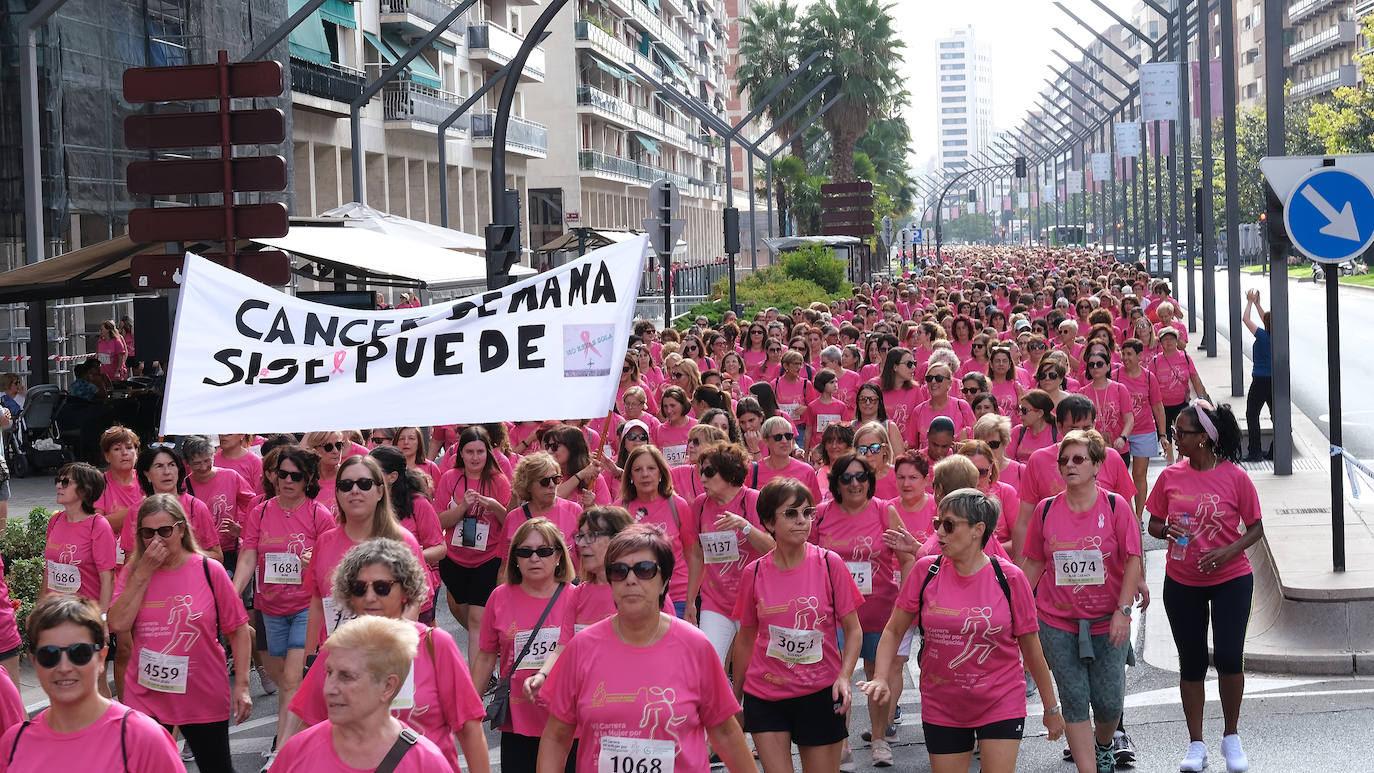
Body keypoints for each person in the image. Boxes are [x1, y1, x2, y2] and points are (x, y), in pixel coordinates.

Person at [861, 489, 1062, 773]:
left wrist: (1051, 708)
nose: (939, 533)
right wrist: (881, 677)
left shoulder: (1010, 578)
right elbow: (893, 630)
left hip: (1000, 700)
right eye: (937, 523)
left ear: (978, 530)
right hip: (942, 703)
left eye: (950, 525)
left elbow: (1032, 649)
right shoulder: (924, 572)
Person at [538, 524, 755, 773]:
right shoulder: (582, 647)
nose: (631, 579)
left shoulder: (695, 646)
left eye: (644, 570)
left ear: (664, 582)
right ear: (610, 582)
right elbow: (556, 736)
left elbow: (726, 733)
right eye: (619, 571)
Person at [288, 539, 490, 773]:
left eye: (382, 587)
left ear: (406, 590)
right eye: (359, 588)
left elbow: (470, 730)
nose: (370, 597)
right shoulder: (337, 651)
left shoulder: (435, 645)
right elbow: (309, 727)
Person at [1017, 430, 1143, 773]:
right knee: (1073, 698)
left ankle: (1104, 743)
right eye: (1064, 460)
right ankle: (1090, 768)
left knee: (1108, 703)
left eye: (1078, 459)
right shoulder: (1046, 510)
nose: (1069, 466)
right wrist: (1013, 607)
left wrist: (1123, 610)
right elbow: (1032, 562)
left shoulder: (1116, 506)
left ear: (1097, 465)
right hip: (1057, 622)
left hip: (1108, 621)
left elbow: (1133, 558)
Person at [1146, 401, 1262, 773]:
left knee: (1229, 658)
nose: (1175, 438)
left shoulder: (1235, 477)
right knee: (1192, 664)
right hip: (1182, 581)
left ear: (1204, 439)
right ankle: (1196, 744)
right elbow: (1153, 524)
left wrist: (1228, 551)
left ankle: (1231, 737)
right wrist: (1166, 530)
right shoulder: (1170, 477)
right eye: (1175, 431)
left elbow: (1256, 528)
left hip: (1231, 579)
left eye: (1182, 433)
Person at [107, 494, 252, 772]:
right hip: (148, 691)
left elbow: (238, 628)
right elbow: (118, 623)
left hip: (201, 693)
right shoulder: (134, 572)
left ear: (181, 529)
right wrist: (143, 573)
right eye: (148, 533)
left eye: (165, 531)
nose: (157, 540)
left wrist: (243, 686)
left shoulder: (210, 570)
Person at [731, 479, 863, 773]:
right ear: (768, 521)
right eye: (791, 513)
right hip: (765, 694)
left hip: (819, 692)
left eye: (807, 512)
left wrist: (844, 677)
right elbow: (745, 639)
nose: (802, 521)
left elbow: (853, 630)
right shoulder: (753, 574)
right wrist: (737, 699)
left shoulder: (831, 564)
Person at [233, 444, 337, 755]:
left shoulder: (320, 515)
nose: (288, 481)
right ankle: (309, 722)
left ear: (307, 480)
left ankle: (284, 749)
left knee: (291, 679)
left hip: (306, 607)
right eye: (282, 474)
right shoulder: (260, 511)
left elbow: (331, 564)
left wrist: (313, 563)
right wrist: (233, 592)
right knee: (283, 680)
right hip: (270, 608)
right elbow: (249, 555)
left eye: (295, 476)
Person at [2, 595, 181, 771]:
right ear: (35, 661)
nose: (64, 667)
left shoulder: (142, 739)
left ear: (101, 659)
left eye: (79, 653)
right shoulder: (14, 744)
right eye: (49, 655)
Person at [812, 452, 903, 766]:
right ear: (836, 483)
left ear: (870, 481)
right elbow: (807, 559)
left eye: (861, 477)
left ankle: (879, 739)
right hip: (834, 613)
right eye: (847, 478)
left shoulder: (884, 511)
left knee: (879, 677)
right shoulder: (821, 514)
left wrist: (910, 602)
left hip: (879, 608)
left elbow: (906, 555)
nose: (854, 483)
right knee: (839, 677)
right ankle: (843, 740)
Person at [269, 616, 452, 771]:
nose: (329, 689)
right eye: (329, 673)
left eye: (346, 676)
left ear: (388, 686)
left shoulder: (426, 762)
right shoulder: (296, 752)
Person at [473, 517, 577, 771]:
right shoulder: (499, 597)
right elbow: (486, 656)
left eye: (543, 551)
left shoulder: (578, 598)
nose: (534, 558)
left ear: (558, 557)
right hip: (519, 721)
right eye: (525, 552)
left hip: (569, 722)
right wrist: (469, 709)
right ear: (515, 559)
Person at [304, 455, 426, 653]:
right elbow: (318, 604)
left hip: (384, 658)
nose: (354, 490)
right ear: (337, 493)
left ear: (380, 491)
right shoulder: (325, 542)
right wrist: (308, 658)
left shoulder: (402, 541)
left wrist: (394, 650)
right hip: (336, 657)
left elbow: (414, 603)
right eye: (346, 485)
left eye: (364, 483)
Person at [683, 441, 774, 661]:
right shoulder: (700, 505)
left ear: (729, 472)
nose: (702, 478)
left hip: (753, 601)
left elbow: (773, 549)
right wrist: (690, 601)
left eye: (709, 472)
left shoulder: (754, 500)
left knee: (750, 671)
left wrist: (744, 526)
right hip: (715, 601)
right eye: (700, 471)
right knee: (708, 663)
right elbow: (697, 554)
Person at [433, 425, 513, 661]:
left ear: (488, 453)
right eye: (470, 452)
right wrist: (463, 507)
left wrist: (494, 505)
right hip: (455, 559)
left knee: (477, 619)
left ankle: (475, 680)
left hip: (488, 558)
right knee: (463, 611)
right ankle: (491, 647)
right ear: (461, 453)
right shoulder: (450, 478)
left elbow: (508, 521)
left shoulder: (498, 480)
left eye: (480, 451)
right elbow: (439, 522)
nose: (475, 457)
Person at [620, 446, 695, 618]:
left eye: (651, 468)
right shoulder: (620, 509)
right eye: (638, 469)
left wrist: (692, 599)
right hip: (635, 596)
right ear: (630, 476)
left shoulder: (678, 505)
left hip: (677, 596)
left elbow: (692, 554)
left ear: (661, 473)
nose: (645, 474)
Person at [129, 446, 222, 564]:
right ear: (147, 475)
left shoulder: (197, 507)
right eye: (159, 466)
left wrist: (184, 555)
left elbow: (218, 556)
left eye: (171, 465)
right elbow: (129, 560)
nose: (167, 472)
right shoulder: (136, 511)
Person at [182, 436, 257, 571]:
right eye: (197, 463)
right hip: (202, 553)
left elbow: (255, 507)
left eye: (207, 460)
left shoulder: (230, 476)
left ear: (213, 456)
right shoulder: (184, 487)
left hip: (231, 550)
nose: (204, 467)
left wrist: (242, 530)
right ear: (187, 463)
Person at [1117, 339, 1168, 514]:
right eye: (1123, 354)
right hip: (1120, 432)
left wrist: (1162, 435)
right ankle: (1123, 514)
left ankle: (1138, 517)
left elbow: (1158, 407)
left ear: (1139, 356)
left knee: (1139, 476)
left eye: (1129, 354)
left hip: (1143, 431)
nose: (1125, 358)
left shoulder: (1148, 377)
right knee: (1119, 477)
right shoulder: (1115, 375)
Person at [505, 452, 583, 547]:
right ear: (528, 485)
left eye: (555, 479)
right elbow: (506, 560)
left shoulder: (574, 510)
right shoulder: (513, 518)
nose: (551, 485)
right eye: (544, 481)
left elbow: (585, 556)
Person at [752, 416, 823, 502]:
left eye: (788, 436)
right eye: (778, 437)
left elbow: (815, 505)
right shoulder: (753, 470)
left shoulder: (807, 471)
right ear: (766, 441)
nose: (784, 441)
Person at [1242, 289, 1273, 462]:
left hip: (1260, 380)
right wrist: (1258, 304)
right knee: (1276, 415)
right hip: (1275, 380)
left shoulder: (1263, 336)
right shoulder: (1277, 335)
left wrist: (1249, 301)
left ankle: (1255, 451)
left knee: (1252, 414)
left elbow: (1246, 320)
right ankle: (1277, 450)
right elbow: (1266, 319)